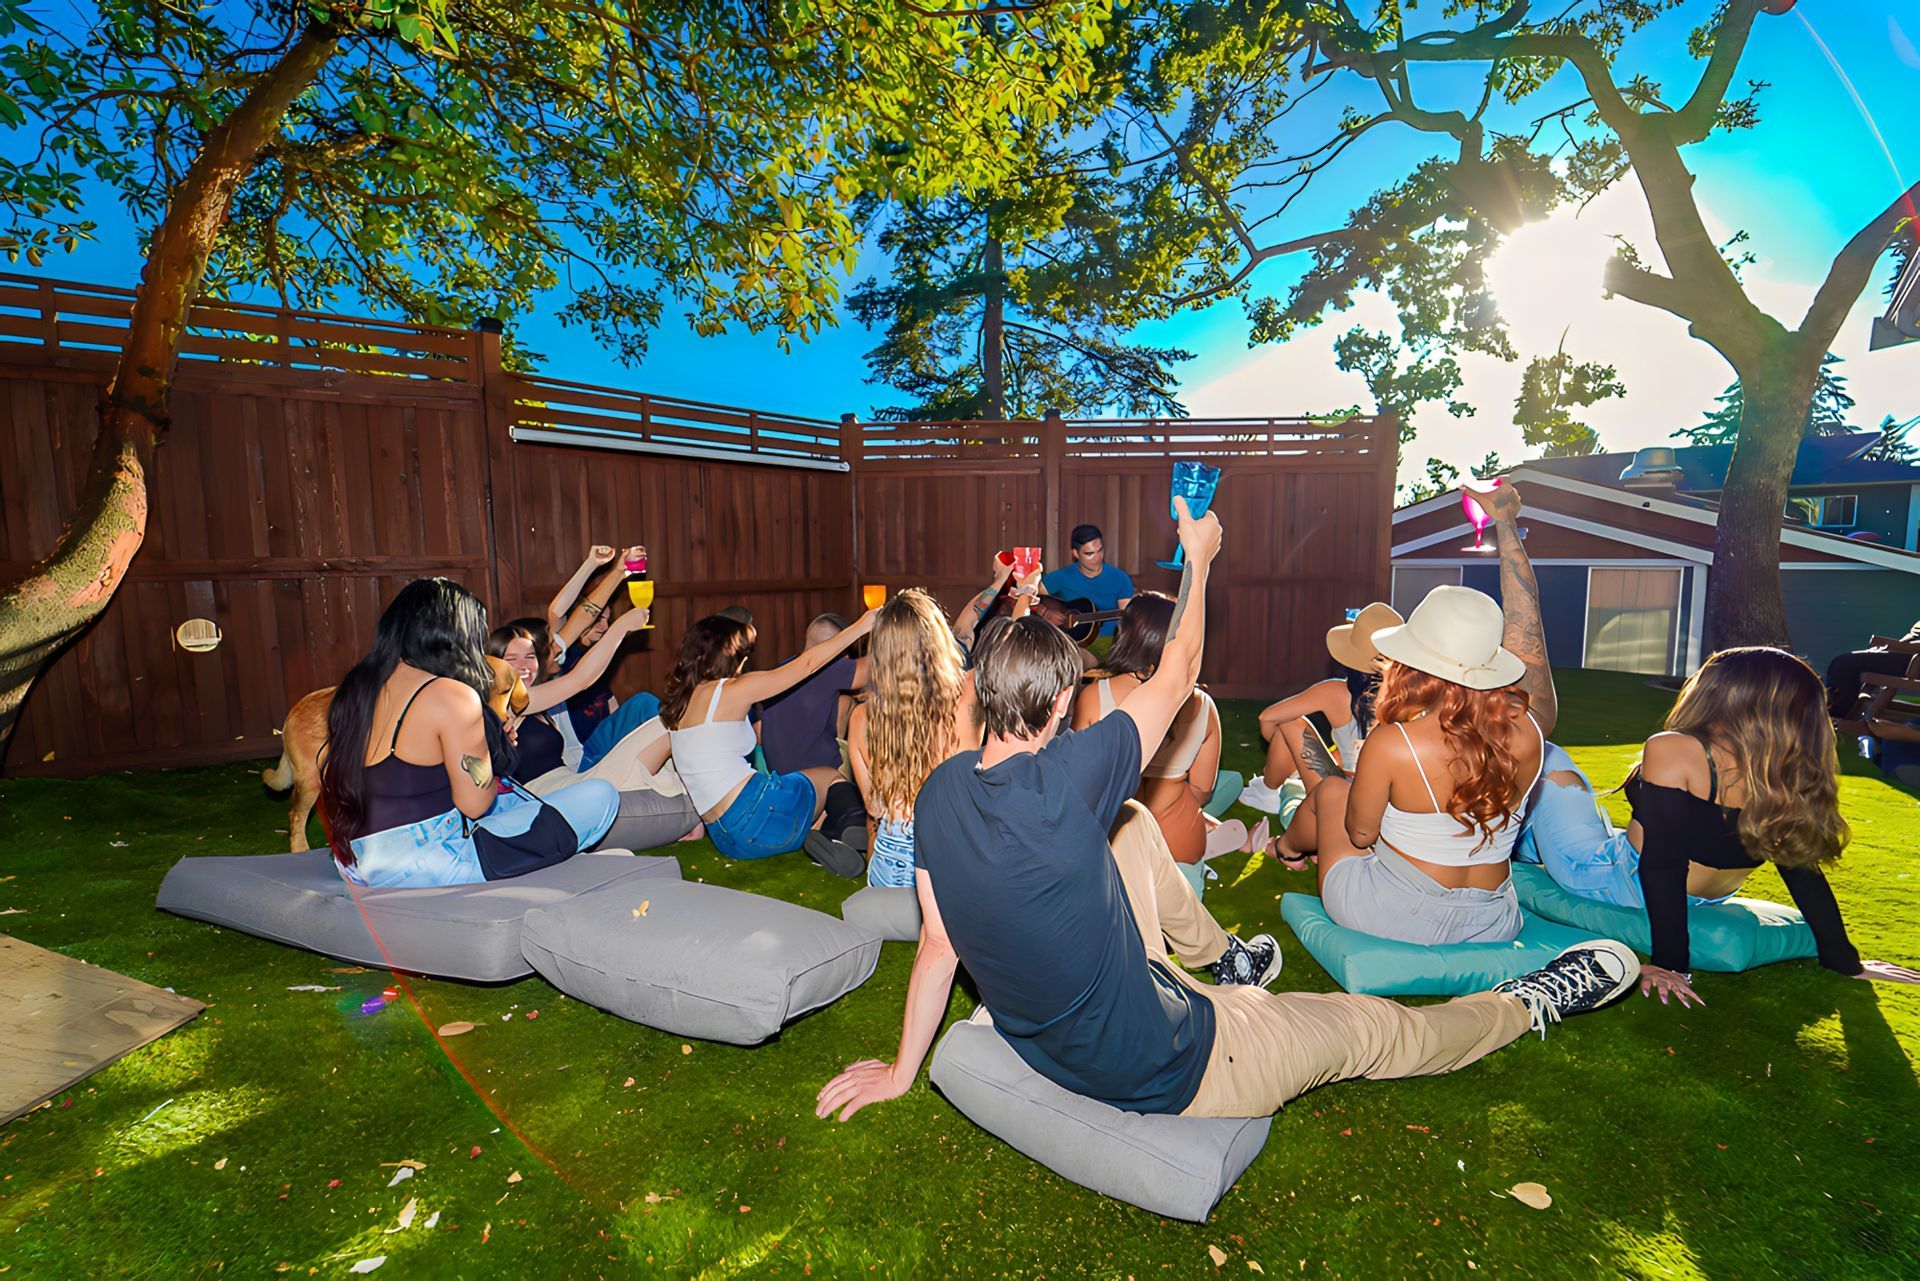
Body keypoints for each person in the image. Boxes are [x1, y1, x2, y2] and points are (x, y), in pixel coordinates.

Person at [815, 501, 1641, 1124]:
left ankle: (1226, 956)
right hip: (1180, 1063)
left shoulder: (944, 790)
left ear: (980, 696)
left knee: (1134, 828)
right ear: (1065, 701)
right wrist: (1200, 558)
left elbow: (935, 948)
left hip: (1065, 1041)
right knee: (1370, 1031)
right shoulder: (1077, 770)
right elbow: (1179, 671)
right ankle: (1526, 1003)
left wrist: (898, 1068)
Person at [1520, 646, 1920, 1002]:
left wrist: (1672, 965)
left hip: (1607, 875)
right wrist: (1843, 960)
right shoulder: (1784, 770)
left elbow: (1662, 867)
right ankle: (1524, 841)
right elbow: (1802, 872)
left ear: (1718, 694)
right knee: (1579, 806)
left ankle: (1506, 839)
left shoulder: (1676, 747)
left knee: (1548, 754)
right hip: (1702, 894)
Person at [1307, 483, 1556, 945]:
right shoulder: (1531, 732)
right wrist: (1506, 525)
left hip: (1395, 915)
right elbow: (1528, 630)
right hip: (1493, 922)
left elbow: (1360, 838)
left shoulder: (1394, 741)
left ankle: (1285, 848)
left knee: (1332, 794)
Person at [317, 578, 621, 889]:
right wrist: (490, 750)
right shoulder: (450, 695)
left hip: (358, 859)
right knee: (600, 796)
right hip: (429, 865)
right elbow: (475, 804)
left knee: (518, 803)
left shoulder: (356, 687)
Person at [663, 609, 877, 873]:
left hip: (725, 837)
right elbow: (807, 666)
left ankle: (827, 837)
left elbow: (694, 768)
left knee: (813, 807)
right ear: (727, 654)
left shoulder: (679, 706)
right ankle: (851, 826)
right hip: (755, 810)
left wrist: (696, 822)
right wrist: (860, 627)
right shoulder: (729, 691)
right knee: (829, 776)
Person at [1071, 592, 1251, 874]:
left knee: (1226, 782)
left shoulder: (1093, 697)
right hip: (1178, 843)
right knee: (1226, 783)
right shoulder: (1201, 704)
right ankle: (1206, 831)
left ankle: (1206, 829)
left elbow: (1079, 780)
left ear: (1126, 636)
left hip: (1113, 843)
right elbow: (1202, 789)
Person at [488, 611, 700, 851]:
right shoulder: (504, 705)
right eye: (511, 659)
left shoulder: (534, 700)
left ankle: (695, 808)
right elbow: (581, 679)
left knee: (668, 725)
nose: (524, 666)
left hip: (575, 780)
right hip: (550, 797)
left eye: (529, 656)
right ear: (494, 663)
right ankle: (708, 810)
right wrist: (619, 628)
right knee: (667, 724)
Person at [1246, 603, 1401, 870]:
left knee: (1290, 722)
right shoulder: (1413, 700)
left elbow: (1267, 717)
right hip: (1389, 811)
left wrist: (1283, 751)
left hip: (1339, 799)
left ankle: (1270, 789)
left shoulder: (1335, 692)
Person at [847, 590, 979, 888]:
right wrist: (1023, 593)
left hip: (887, 871)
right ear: (937, 643)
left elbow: (875, 809)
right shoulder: (967, 697)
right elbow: (1012, 664)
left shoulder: (860, 718)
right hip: (946, 871)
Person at [759, 612, 869, 776]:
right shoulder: (828, 669)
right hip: (821, 777)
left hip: (781, 778)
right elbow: (877, 667)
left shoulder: (782, 668)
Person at [1041, 523, 1133, 641]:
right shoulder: (1061, 577)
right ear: (1075, 553)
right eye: (1089, 554)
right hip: (1070, 641)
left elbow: (1128, 623)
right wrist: (1045, 612)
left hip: (1109, 642)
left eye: (1100, 551)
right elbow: (1025, 598)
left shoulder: (1120, 578)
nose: (1097, 558)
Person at [1825, 620, 1920, 718]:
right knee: (1842, 663)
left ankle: (1836, 714)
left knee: (1844, 664)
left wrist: (1892, 645)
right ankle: (1834, 708)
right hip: (1905, 654)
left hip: (1914, 661)